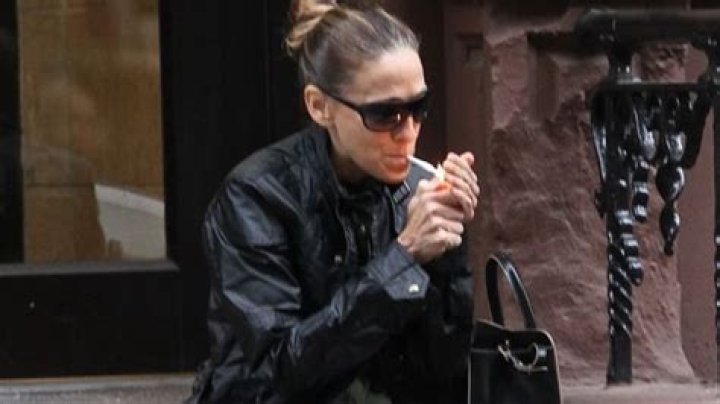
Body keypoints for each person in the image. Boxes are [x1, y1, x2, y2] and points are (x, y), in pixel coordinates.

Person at [186, 0, 480, 402]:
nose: (407, 131)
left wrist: (447, 252)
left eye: (419, 107)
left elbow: (442, 370)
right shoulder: (257, 196)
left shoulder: (418, 189)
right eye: (384, 114)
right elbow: (282, 370)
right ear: (319, 106)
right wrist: (404, 256)